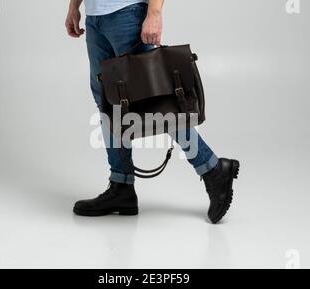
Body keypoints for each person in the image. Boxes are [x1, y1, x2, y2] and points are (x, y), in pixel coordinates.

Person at [65, 0, 240, 223]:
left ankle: (213, 169)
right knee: (108, 101)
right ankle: (121, 186)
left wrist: (154, 11)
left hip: (127, 13)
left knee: (155, 100)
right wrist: (74, 7)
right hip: (95, 18)